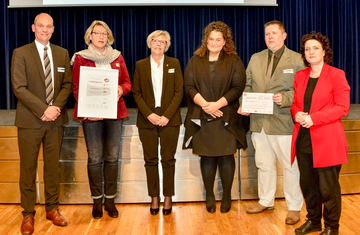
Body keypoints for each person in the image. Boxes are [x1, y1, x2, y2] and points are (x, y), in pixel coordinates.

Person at [237, 20, 304, 224]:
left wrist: (284, 99)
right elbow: (247, 85)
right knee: (264, 164)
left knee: (290, 166)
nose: (270, 37)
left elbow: (302, 91)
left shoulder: (297, 59)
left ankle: (294, 206)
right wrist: (244, 104)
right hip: (259, 122)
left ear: (284, 35)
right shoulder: (255, 58)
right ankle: (266, 200)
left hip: (283, 122)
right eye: (267, 34)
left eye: (274, 33)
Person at [11, 13, 72, 235]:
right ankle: (28, 214)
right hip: (30, 120)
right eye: (41, 26)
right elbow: (19, 88)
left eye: (48, 26)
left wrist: (54, 107)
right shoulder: (21, 53)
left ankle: (52, 209)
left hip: (55, 120)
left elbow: (67, 85)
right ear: (33, 27)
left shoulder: (62, 53)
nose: (45, 30)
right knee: (28, 168)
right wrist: (43, 109)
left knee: (52, 167)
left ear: (53, 29)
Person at [183, 21, 247, 214]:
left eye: (218, 39)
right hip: (202, 116)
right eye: (211, 39)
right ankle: (209, 195)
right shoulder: (196, 60)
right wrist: (205, 105)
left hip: (225, 116)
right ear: (206, 40)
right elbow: (189, 87)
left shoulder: (234, 61)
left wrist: (217, 105)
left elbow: (238, 87)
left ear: (225, 41)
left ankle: (226, 195)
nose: (214, 42)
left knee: (227, 156)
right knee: (207, 157)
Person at [291, 32, 350, 235]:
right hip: (304, 140)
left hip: (327, 140)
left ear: (324, 51)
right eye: (307, 49)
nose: (311, 52)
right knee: (308, 186)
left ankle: (332, 227)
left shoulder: (336, 74)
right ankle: (313, 221)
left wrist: (314, 118)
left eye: (315, 48)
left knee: (328, 189)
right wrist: (296, 113)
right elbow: (296, 104)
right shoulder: (300, 76)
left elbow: (343, 108)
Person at [72, 20, 131, 219]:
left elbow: (127, 83)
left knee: (112, 158)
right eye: (97, 33)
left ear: (109, 37)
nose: (100, 36)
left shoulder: (117, 56)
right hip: (91, 115)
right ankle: (97, 200)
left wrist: (121, 89)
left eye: (104, 34)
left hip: (114, 114)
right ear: (90, 36)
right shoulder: (80, 58)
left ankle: (110, 200)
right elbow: (76, 87)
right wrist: (88, 108)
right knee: (95, 158)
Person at [132, 30, 183, 216]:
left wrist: (167, 115)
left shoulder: (174, 64)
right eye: (155, 41)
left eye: (162, 41)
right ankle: (154, 197)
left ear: (166, 45)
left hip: (170, 118)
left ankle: (168, 197)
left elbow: (179, 92)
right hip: (147, 119)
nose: (158, 44)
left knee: (168, 160)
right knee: (150, 160)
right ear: (149, 43)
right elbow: (136, 93)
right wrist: (149, 115)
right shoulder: (140, 65)